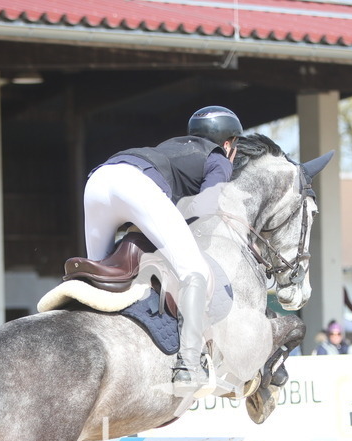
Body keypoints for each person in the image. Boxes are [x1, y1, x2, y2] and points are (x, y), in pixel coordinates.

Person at [82, 105, 242, 394]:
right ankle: (189, 364)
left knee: (99, 273)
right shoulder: (219, 157)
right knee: (194, 271)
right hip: (136, 187)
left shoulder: (173, 145)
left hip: (98, 180)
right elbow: (205, 208)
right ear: (228, 143)